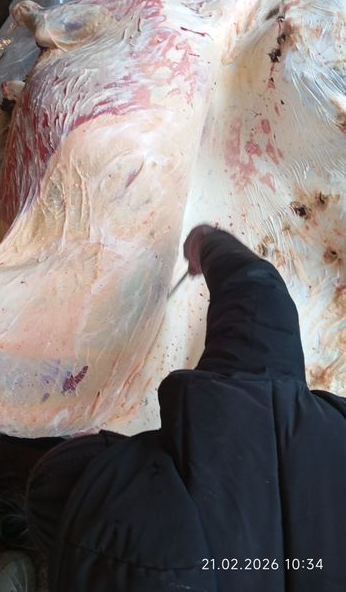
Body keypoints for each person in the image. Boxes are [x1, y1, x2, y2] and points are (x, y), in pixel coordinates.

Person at [24, 224, 346, 591]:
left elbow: (259, 304)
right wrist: (209, 244)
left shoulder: (250, 424)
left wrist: (208, 243)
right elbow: (258, 308)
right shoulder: (251, 421)